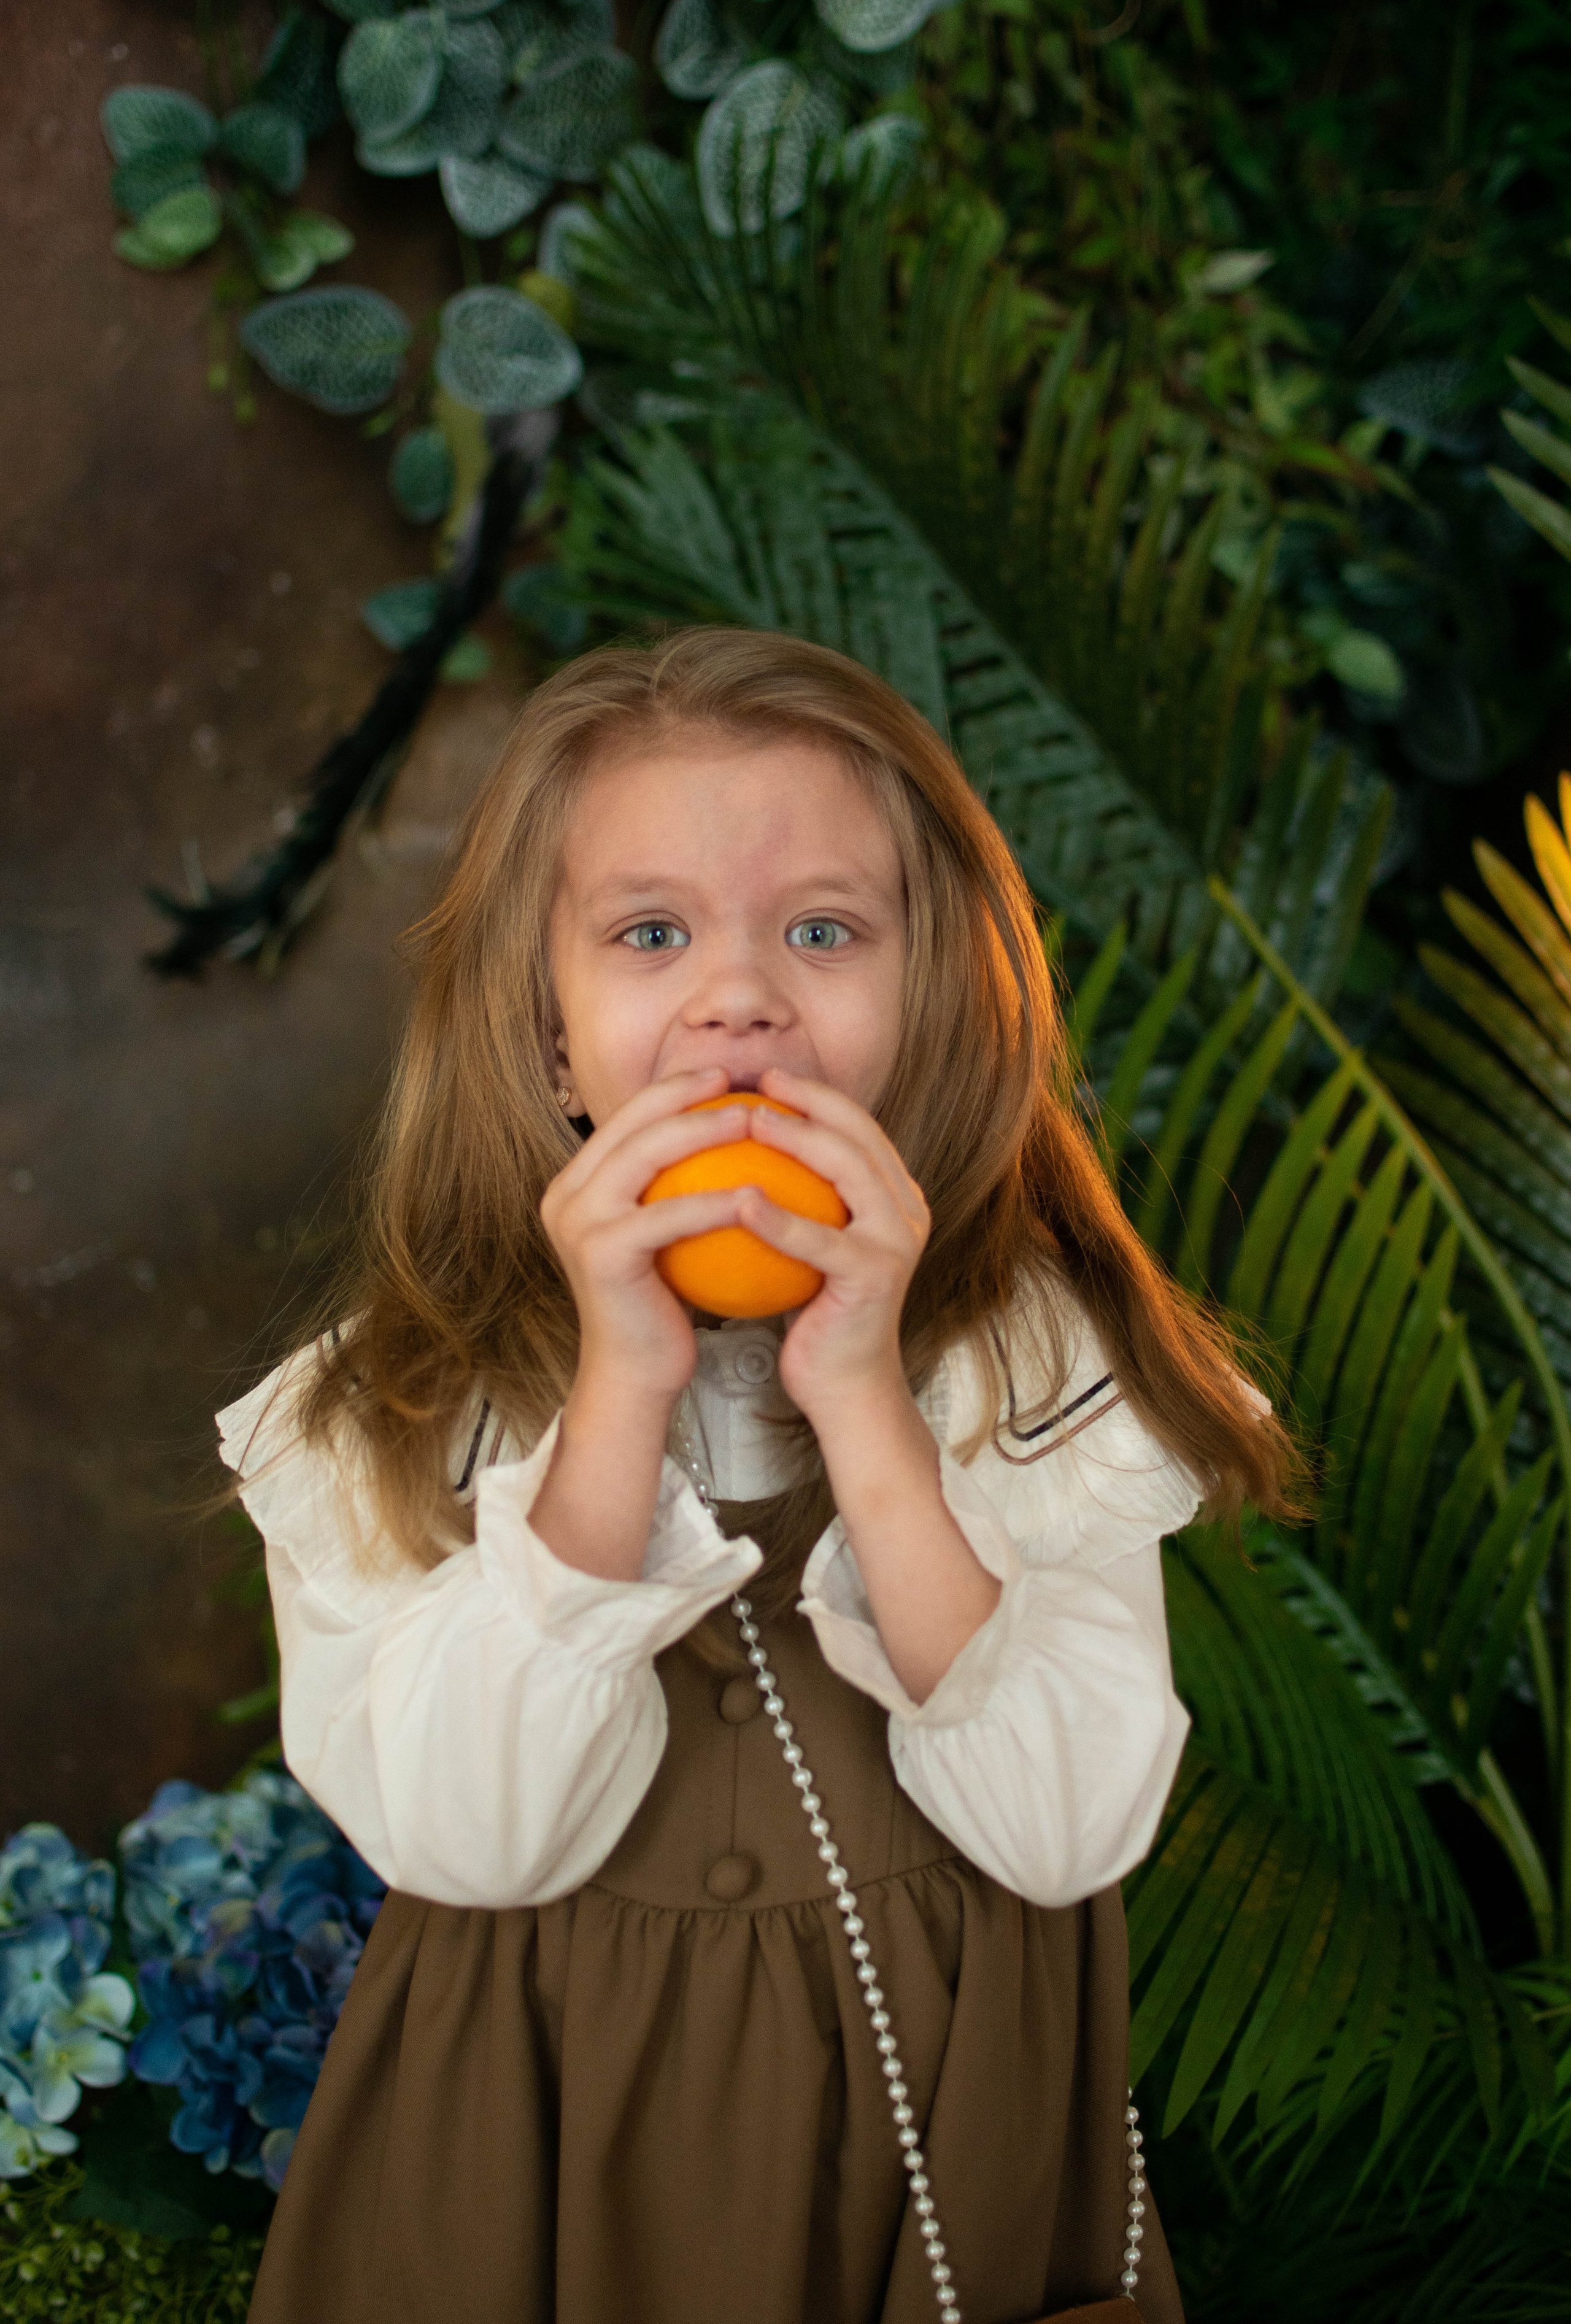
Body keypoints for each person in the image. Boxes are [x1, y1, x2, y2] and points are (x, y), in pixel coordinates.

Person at [217, 627, 1297, 2324]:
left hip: (950, 2169)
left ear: (922, 1002)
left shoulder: (1029, 1372)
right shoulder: (392, 1412)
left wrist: (866, 1402)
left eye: (822, 930)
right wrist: (624, 1386)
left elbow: (1070, 1824)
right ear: (553, 1043)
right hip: (532, 2179)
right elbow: (471, 1839)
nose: (741, 996)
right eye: (652, 933)